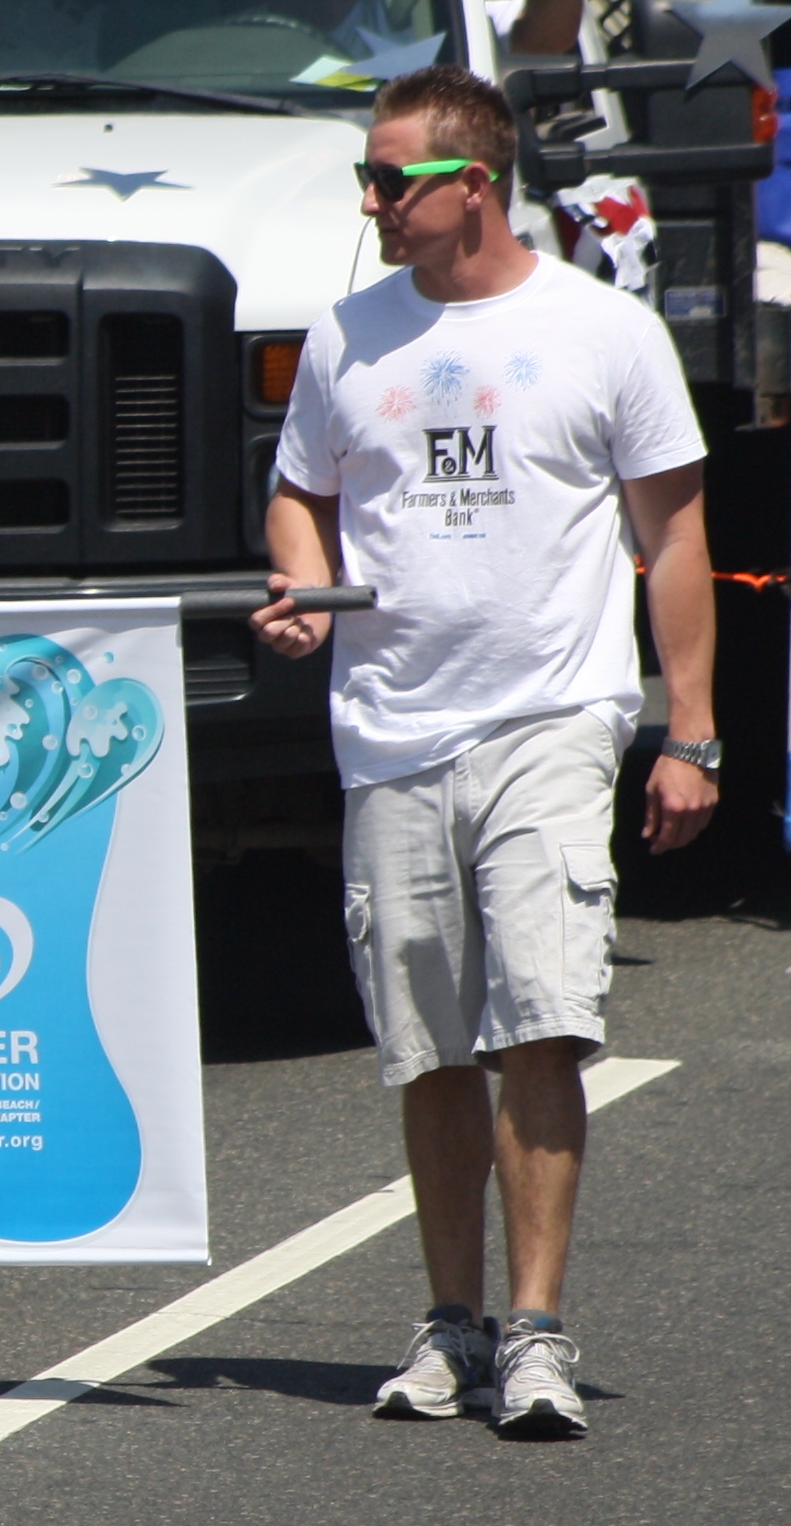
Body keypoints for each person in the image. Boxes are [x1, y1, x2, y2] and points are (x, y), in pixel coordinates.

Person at [249, 65, 719, 1439]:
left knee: (540, 1023)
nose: (369, 202)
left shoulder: (603, 330)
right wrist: (303, 589)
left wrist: (688, 731)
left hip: (550, 717)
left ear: (471, 184)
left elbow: (671, 536)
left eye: (386, 179)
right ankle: (448, 1322)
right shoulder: (345, 336)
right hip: (389, 730)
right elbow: (298, 494)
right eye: (365, 179)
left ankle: (534, 1329)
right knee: (429, 1047)